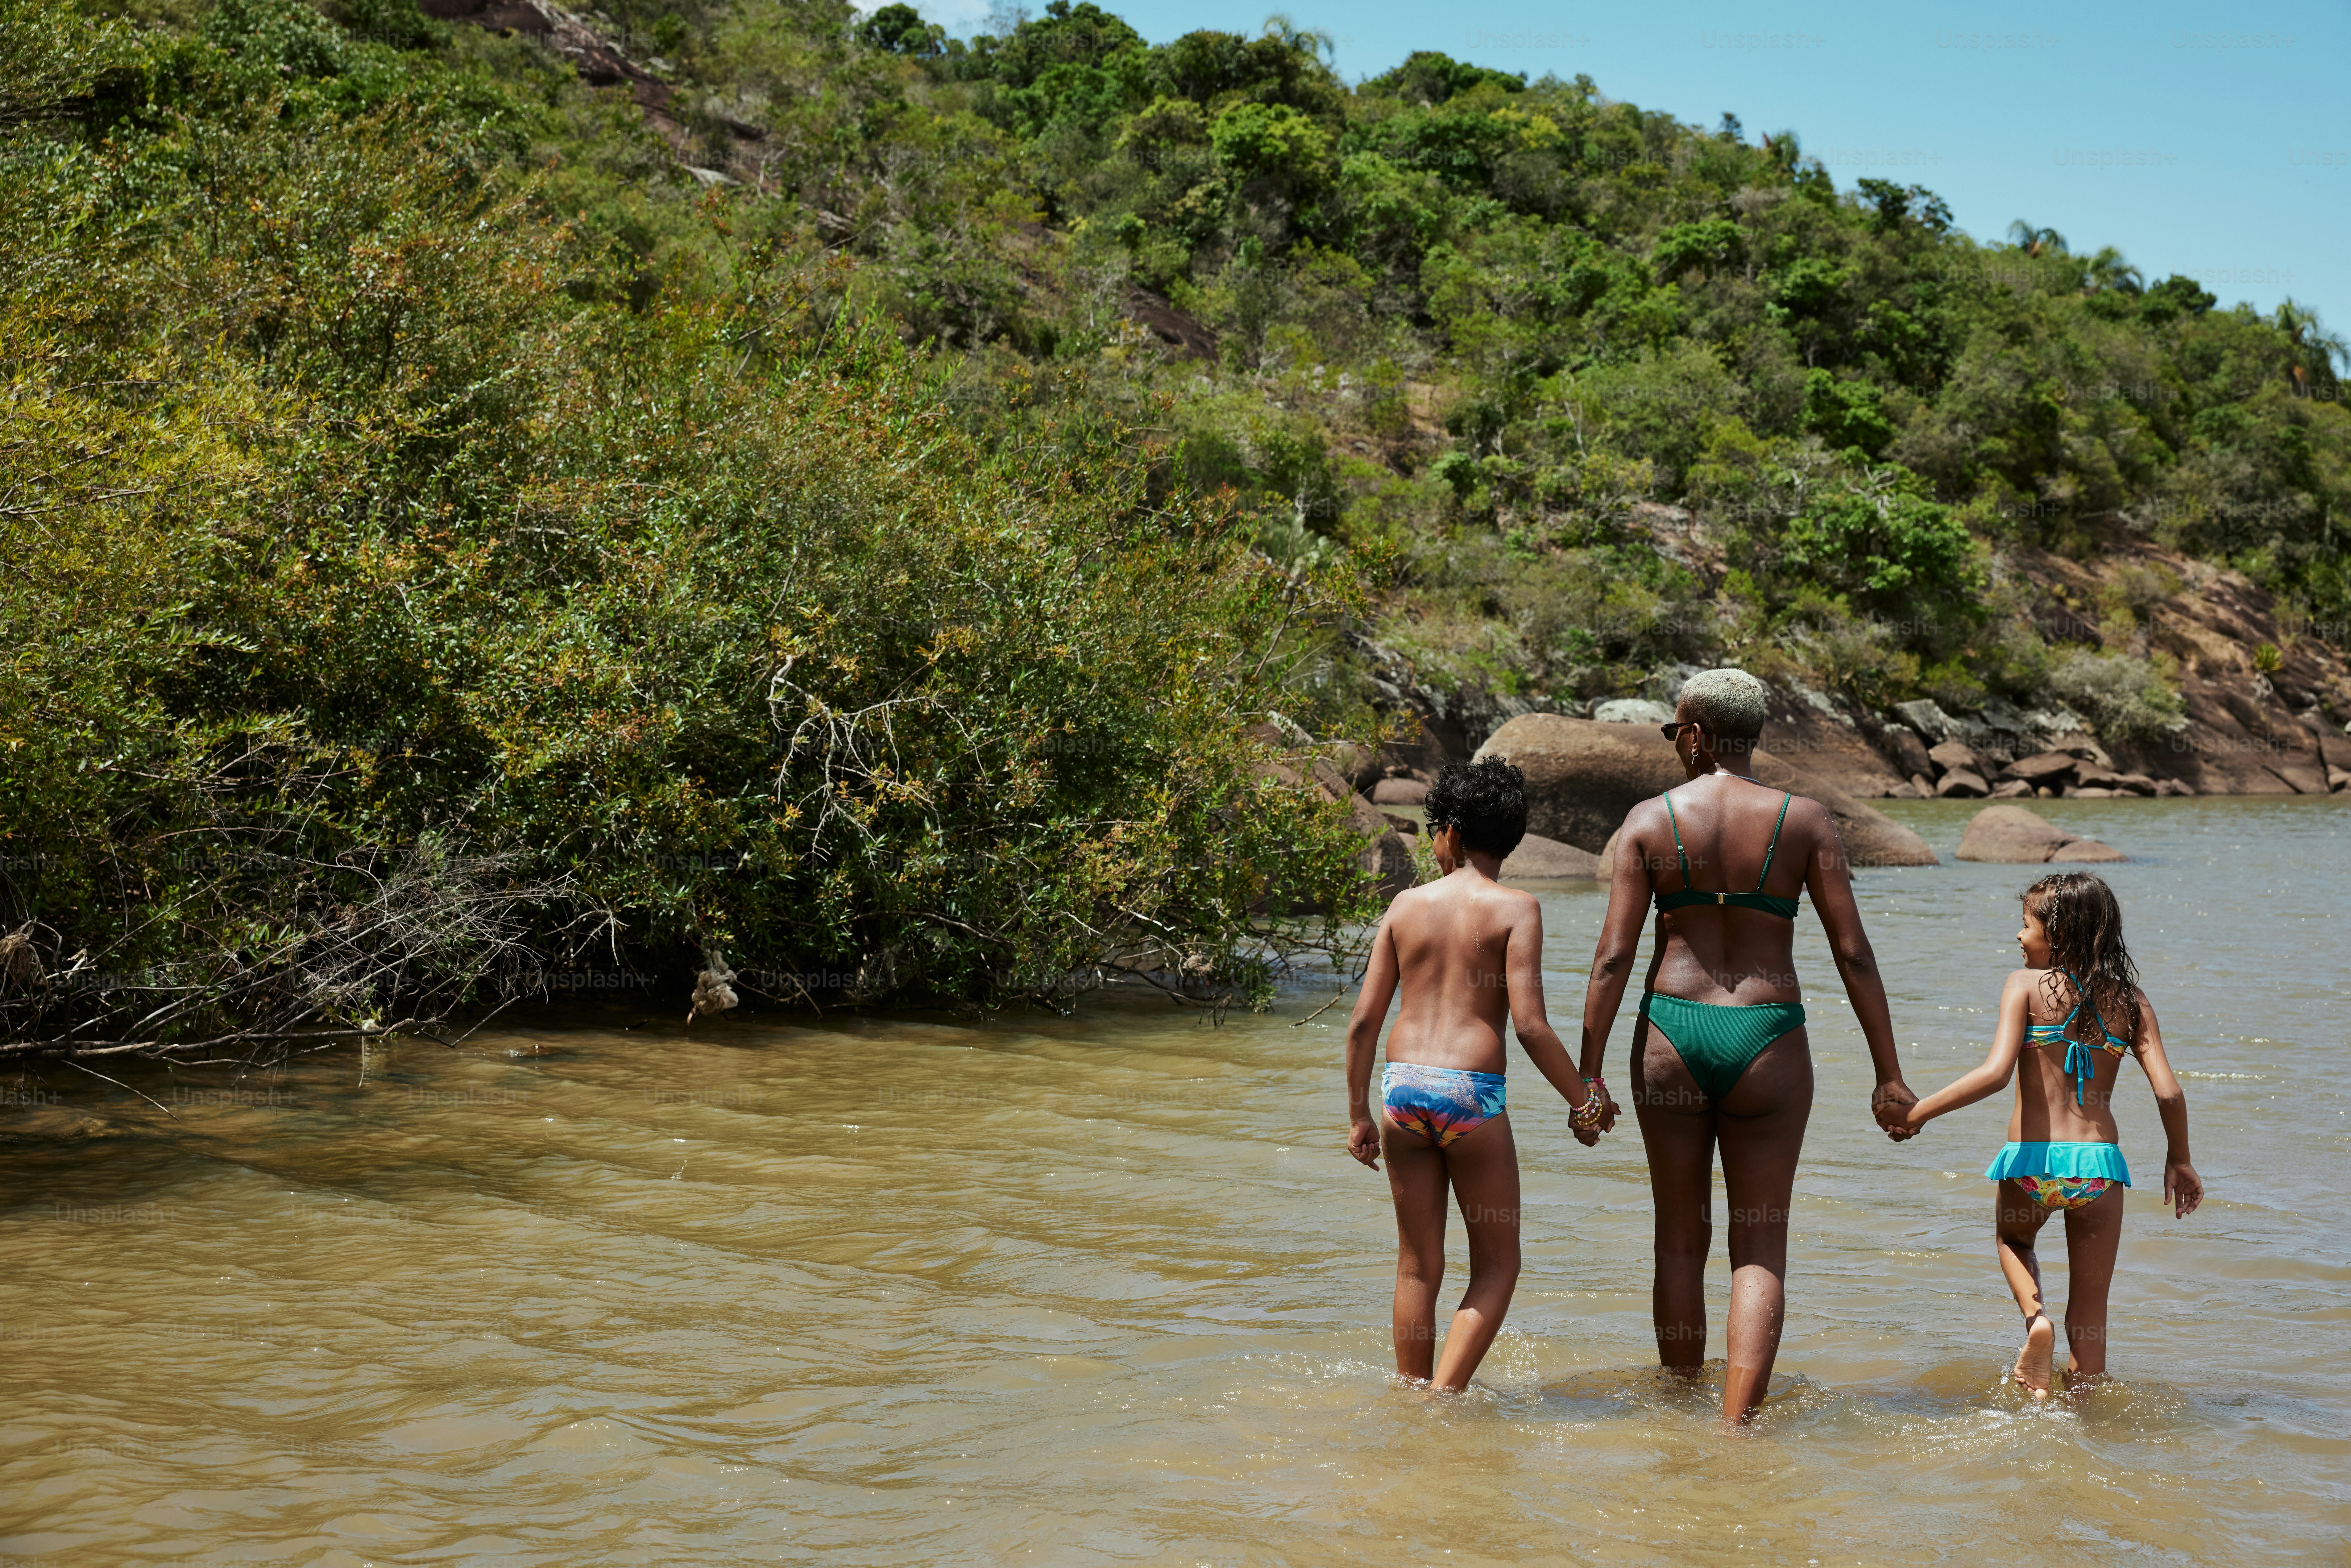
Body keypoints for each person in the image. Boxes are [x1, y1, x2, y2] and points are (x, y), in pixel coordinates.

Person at [1575, 667, 1916, 1425]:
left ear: (1695, 734)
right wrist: (1888, 1075)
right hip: (1769, 1037)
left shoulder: (1647, 821)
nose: (1674, 746)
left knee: (1678, 1239)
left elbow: (1611, 959)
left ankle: (1677, 1410)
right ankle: (1737, 1428)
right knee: (1759, 1245)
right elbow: (1854, 954)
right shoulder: (1807, 823)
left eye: (1674, 733)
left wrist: (1587, 1077)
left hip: (1672, 1031)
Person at [1343, 757, 1604, 1391]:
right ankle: (1445, 1395)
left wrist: (1357, 1114)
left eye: (1434, 831)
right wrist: (1585, 1102)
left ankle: (1411, 1394)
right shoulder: (1516, 909)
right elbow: (1532, 1027)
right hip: (1470, 1098)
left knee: (1416, 1269)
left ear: (1451, 834)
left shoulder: (1406, 908)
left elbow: (1361, 1026)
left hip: (1401, 1092)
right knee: (1497, 1266)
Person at [1893, 871, 2202, 1397]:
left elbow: (1994, 1075)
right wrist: (2180, 1159)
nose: (2018, 936)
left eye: (2025, 925)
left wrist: (1919, 1112)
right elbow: (2170, 1092)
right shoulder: (2131, 1001)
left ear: (2056, 935)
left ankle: (2036, 1319)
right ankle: (2083, 1413)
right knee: (2090, 1311)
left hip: (2030, 1163)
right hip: (2099, 1171)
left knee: (2013, 1239)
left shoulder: (2022, 986)